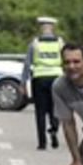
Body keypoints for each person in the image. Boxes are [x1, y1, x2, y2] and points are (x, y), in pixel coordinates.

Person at [21, 16, 64, 150]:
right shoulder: (60, 43)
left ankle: (42, 143)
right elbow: (67, 61)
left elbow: (27, 63)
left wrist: (23, 82)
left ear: (41, 29)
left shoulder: (34, 43)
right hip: (57, 79)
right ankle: (54, 129)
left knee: (40, 112)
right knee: (55, 109)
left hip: (39, 79)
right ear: (53, 28)